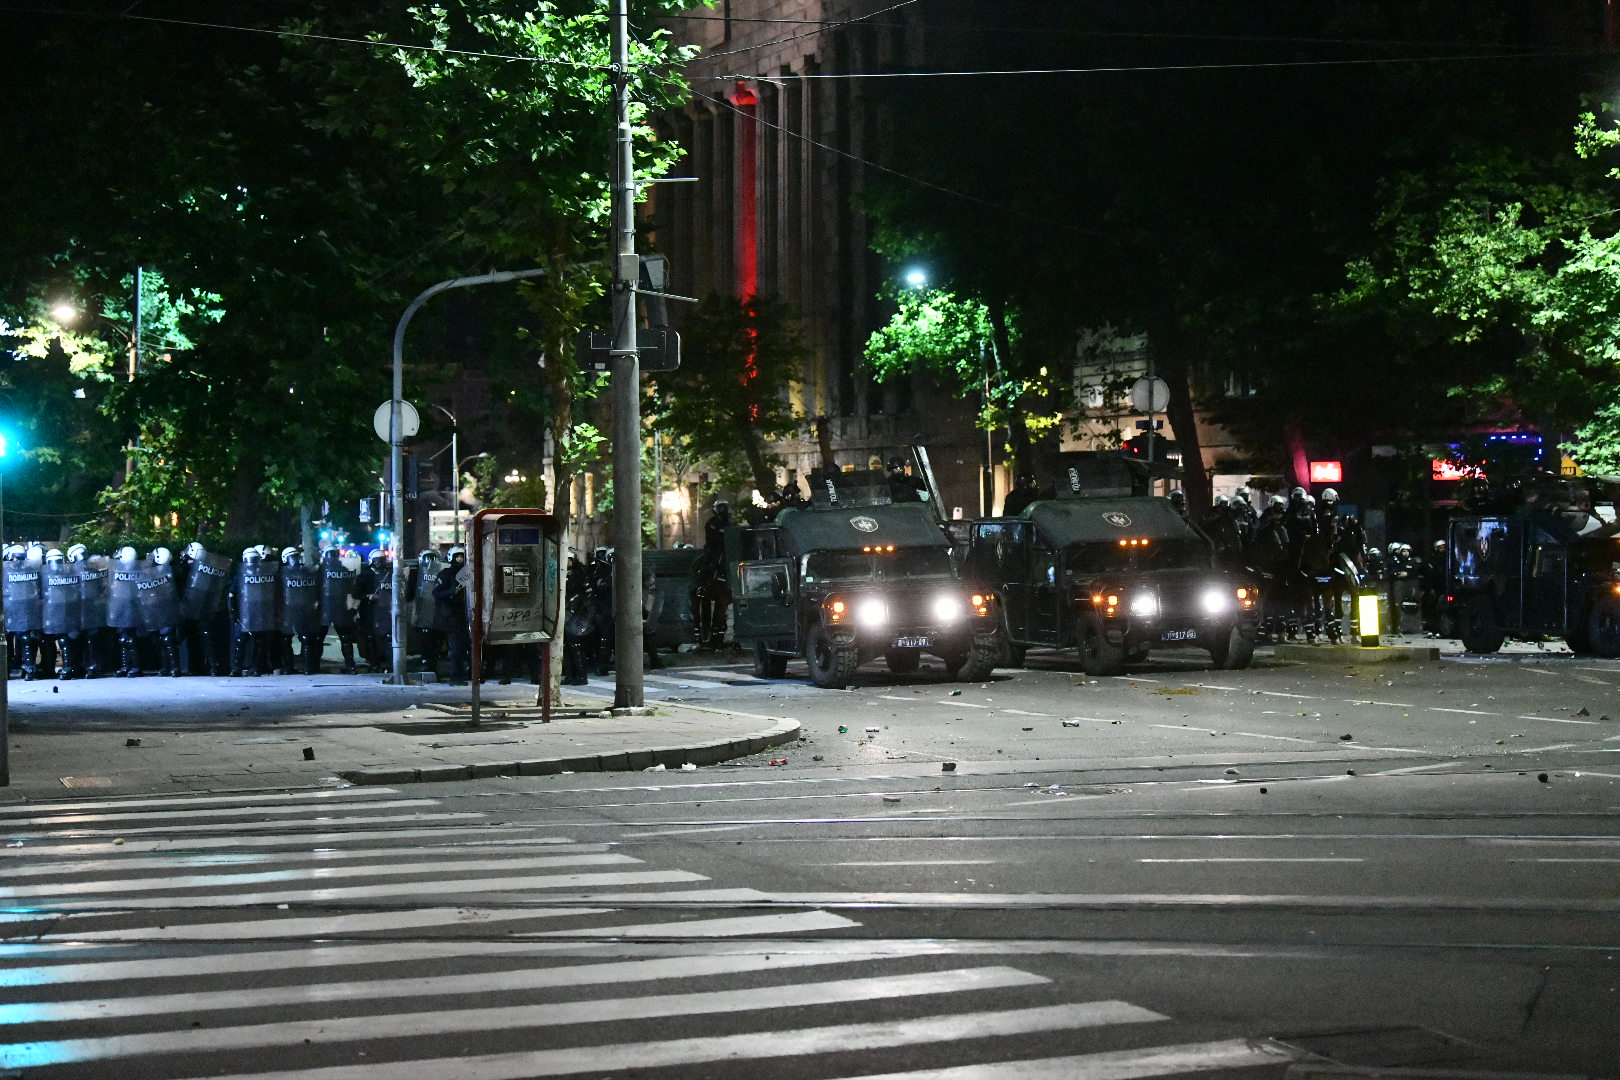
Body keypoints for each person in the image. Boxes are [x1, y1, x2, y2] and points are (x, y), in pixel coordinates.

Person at [433, 547, 471, 683]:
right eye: (457, 557)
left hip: (466, 615)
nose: (460, 559)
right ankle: (456, 677)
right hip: (452, 616)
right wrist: (451, 592)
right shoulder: (445, 574)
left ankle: (468, 674)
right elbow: (436, 593)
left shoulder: (468, 573)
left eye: (462, 556)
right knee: (456, 648)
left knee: (466, 646)